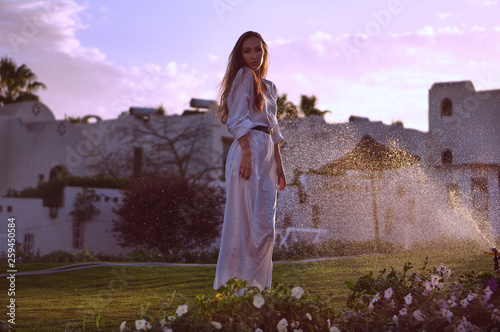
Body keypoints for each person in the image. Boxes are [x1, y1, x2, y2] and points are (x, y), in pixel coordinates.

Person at [214, 31, 286, 291]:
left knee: (265, 226)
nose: (254, 56)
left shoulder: (270, 86)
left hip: (266, 154)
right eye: (247, 51)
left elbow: (273, 128)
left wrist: (279, 166)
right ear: (240, 55)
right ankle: (235, 287)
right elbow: (237, 118)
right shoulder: (243, 77)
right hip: (248, 152)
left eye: (258, 50)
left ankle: (258, 289)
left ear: (264, 52)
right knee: (242, 224)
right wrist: (246, 153)